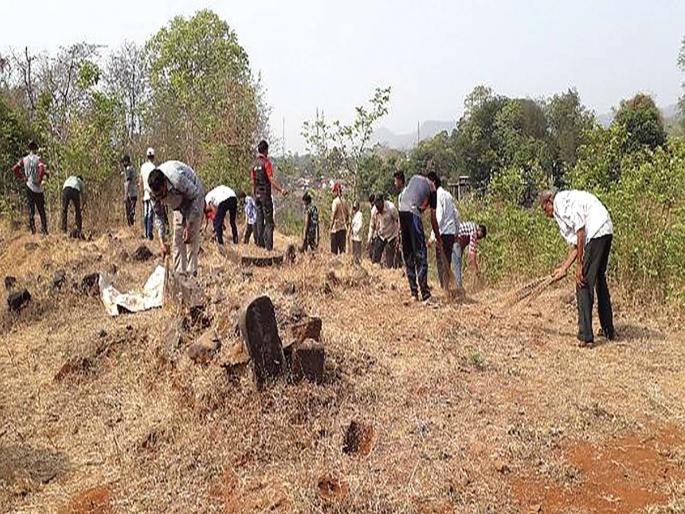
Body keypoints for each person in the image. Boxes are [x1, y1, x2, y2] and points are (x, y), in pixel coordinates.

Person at [540, 189, 615, 347]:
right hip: (606, 229)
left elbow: (580, 231)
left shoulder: (560, 202)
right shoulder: (564, 205)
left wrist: (580, 265)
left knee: (583, 282)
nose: (545, 213)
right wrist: (564, 268)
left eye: (543, 208)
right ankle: (608, 329)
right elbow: (576, 244)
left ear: (549, 202)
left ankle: (586, 336)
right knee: (599, 278)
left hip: (596, 231)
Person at [148, 161, 205, 275]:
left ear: (165, 183)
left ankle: (191, 276)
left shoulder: (177, 179)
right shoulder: (152, 193)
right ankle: (179, 275)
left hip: (194, 198)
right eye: (157, 196)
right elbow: (158, 215)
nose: (160, 198)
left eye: (161, 194)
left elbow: (195, 196)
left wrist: (189, 226)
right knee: (178, 239)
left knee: (190, 239)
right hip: (178, 205)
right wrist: (161, 241)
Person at [397, 172, 442, 302]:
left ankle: (413, 293)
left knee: (409, 254)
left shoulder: (414, 178)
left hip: (402, 212)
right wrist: (438, 239)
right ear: (434, 182)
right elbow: (433, 219)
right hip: (412, 213)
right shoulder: (433, 188)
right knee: (420, 253)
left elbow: (419, 203)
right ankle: (425, 294)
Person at [251, 140, 287, 251]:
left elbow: (252, 181)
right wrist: (281, 190)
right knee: (269, 222)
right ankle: (269, 247)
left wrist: (254, 195)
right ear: (265, 150)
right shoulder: (266, 163)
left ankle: (259, 245)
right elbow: (271, 180)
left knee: (259, 221)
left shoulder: (254, 164)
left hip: (256, 196)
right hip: (265, 196)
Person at [12, 141, 48, 235]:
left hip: (29, 185)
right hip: (38, 187)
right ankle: (44, 230)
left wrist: (23, 177)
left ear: (29, 149)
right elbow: (42, 169)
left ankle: (33, 230)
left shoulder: (24, 159)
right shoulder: (38, 159)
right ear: (35, 149)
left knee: (31, 209)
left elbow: (15, 169)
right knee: (41, 209)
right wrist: (39, 180)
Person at [427, 174, 459, 267]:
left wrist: (432, 237)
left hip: (442, 235)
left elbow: (438, 218)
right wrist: (456, 232)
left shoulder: (437, 196)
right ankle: (448, 281)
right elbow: (456, 214)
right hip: (450, 234)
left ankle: (444, 282)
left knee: (441, 265)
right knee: (447, 264)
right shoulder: (448, 195)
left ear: (433, 182)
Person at [454, 222, 487, 289]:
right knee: (457, 265)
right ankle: (458, 288)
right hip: (455, 241)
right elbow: (472, 253)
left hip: (454, 240)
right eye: (481, 236)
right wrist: (476, 270)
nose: (480, 238)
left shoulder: (472, 227)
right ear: (480, 231)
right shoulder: (474, 231)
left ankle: (450, 285)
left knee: (455, 264)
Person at [371, 194, 400, 268]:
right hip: (381, 235)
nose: (378, 208)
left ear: (382, 202)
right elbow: (372, 226)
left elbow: (398, 220)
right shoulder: (374, 210)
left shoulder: (391, 208)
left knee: (390, 262)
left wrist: (398, 236)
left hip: (391, 235)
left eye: (379, 206)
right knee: (375, 259)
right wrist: (369, 239)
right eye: (376, 206)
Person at [140, 147, 157, 240]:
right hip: (152, 194)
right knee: (150, 213)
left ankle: (146, 233)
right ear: (153, 157)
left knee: (146, 213)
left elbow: (140, 181)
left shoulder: (143, 167)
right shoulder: (154, 168)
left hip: (145, 193)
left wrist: (142, 193)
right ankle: (149, 234)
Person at [330, 182, 349, 254]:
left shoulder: (335, 202)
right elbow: (347, 215)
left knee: (334, 252)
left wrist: (330, 227)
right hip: (343, 229)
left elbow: (333, 215)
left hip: (336, 229)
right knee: (342, 252)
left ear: (336, 191)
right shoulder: (345, 201)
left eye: (333, 191)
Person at [121, 155, 138, 227]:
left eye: (123, 162)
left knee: (129, 212)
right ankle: (132, 227)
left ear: (126, 162)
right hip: (134, 193)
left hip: (130, 194)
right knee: (132, 211)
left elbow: (127, 183)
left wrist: (125, 196)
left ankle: (131, 228)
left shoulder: (128, 170)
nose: (122, 164)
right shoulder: (132, 169)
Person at [366, 193, 378, 259]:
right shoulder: (375, 208)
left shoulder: (373, 210)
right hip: (378, 235)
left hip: (376, 235)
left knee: (373, 254)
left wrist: (369, 239)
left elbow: (372, 226)